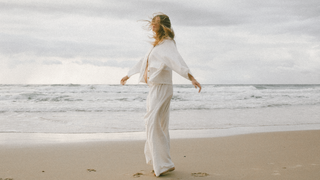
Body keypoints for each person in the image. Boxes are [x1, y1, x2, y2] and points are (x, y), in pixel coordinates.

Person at [120, 12, 202, 177]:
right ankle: (164, 162)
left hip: (162, 88)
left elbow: (176, 61)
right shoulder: (156, 45)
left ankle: (163, 164)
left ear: (163, 26)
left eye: (156, 23)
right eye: (152, 23)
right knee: (159, 125)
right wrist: (129, 74)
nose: (153, 26)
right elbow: (144, 61)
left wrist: (191, 77)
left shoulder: (167, 43)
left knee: (152, 123)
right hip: (155, 87)